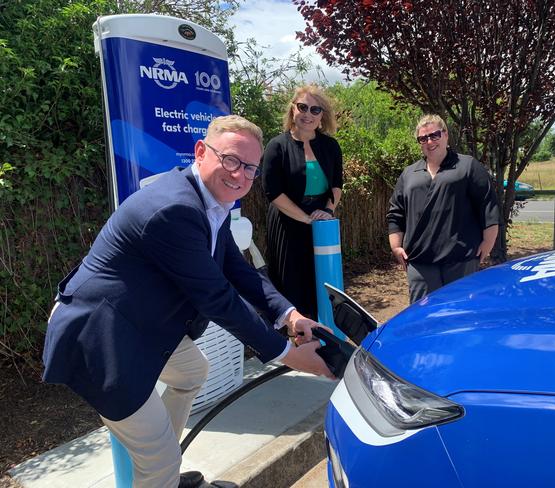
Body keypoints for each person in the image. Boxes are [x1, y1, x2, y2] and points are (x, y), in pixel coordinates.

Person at [42, 115, 334, 488]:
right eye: (230, 160)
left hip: (138, 322)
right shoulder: (174, 209)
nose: (240, 175)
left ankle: (163, 466)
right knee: (157, 456)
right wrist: (287, 355)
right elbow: (216, 297)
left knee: (191, 371)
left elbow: (237, 270)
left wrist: (287, 313)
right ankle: (161, 468)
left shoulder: (212, 202)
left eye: (250, 168)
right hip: (102, 338)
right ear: (201, 151)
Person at [387, 114, 500, 303]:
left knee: (460, 316)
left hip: (461, 259)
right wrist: (396, 247)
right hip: (420, 262)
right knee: (423, 319)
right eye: (423, 139)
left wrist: (488, 242)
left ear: (445, 135)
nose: (429, 142)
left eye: (434, 135)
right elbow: (396, 212)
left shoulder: (467, 166)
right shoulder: (409, 174)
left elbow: (487, 205)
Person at [262, 85, 343, 319]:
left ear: (322, 116)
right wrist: (306, 218)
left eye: (315, 109)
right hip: (288, 224)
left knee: (324, 283)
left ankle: (325, 340)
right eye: (303, 107)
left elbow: (337, 184)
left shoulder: (331, 147)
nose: (308, 114)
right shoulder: (277, 146)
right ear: (293, 110)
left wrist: (327, 211)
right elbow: (273, 192)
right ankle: (297, 342)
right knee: (292, 286)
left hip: (322, 224)